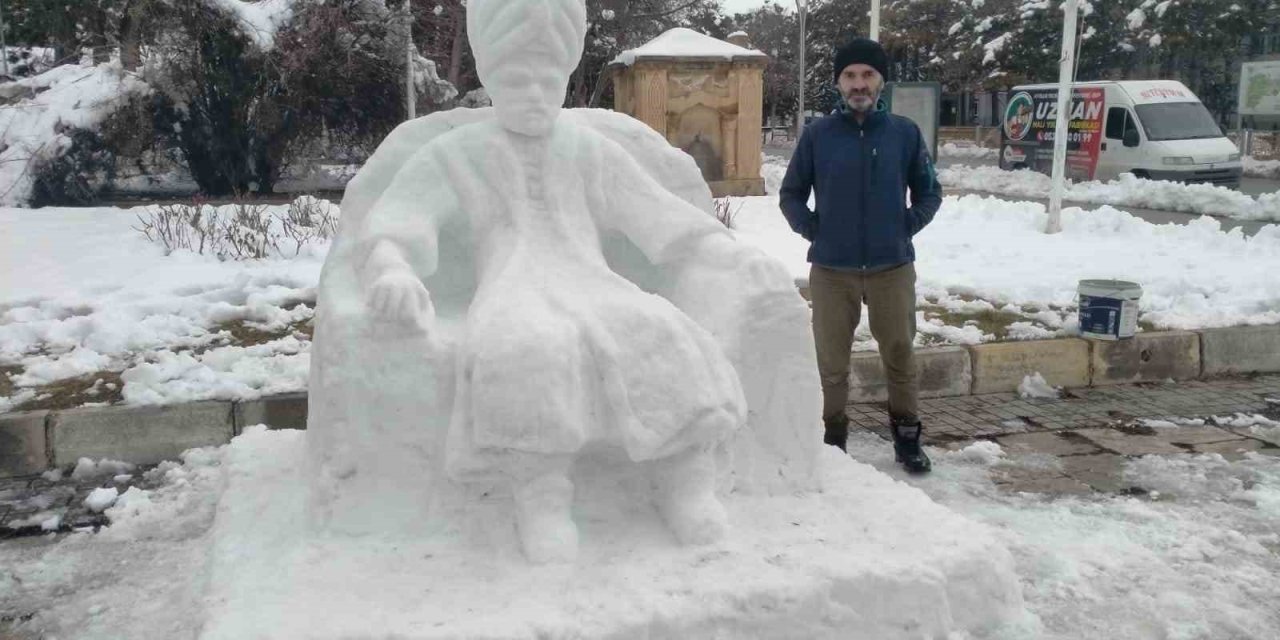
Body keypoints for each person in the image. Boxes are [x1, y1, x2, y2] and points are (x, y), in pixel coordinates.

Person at [779, 37, 942, 474]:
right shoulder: (818, 136)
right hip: (832, 271)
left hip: (893, 268)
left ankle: (907, 438)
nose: (859, 83)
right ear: (838, 82)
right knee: (831, 362)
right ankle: (833, 438)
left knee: (900, 354)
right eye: (850, 75)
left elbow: (929, 193)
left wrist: (903, 226)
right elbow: (791, 194)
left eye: (867, 75)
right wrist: (815, 229)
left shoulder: (904, 134)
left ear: (880, 81)